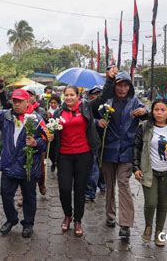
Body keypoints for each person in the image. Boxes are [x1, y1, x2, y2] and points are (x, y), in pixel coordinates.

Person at [50, 67, 116, 237]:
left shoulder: (86, 107)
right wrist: (49, 135)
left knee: (80, 189)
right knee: (64, 189)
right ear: (64, 96)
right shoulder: (58, 112)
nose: (69, 97)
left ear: (78, 96)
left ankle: (78, 220)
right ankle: (67, 216)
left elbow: (104, 96)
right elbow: (51, 132)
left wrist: (109, 79)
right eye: (67, 95)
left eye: (72, 95)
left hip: (84, 155)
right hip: (64, 155)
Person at [0, 88, 47, 238]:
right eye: (14, 101)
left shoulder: (37, 118)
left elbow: (46, 140)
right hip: (9, 165)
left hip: (28, 167)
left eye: (19, 101)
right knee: (5, 195)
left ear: (27, 101)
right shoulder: (6, 116)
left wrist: (36, 143)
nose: (16, 104)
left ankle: (28, 224)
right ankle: (11, 219)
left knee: (29, 197)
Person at [99, 71, 148, 239]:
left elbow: (147, 111)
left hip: (127, 150)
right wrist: (99, 122)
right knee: (109, 185)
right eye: (119, 84)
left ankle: (125, 224)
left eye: (126, 85)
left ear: (130, 87)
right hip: (108, 150)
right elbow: (93, 116)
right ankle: (110, 216)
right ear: (115, 86)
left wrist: (143, 112)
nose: (122, 88)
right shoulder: (106, 101)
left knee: (124, 184)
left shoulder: (134, 101)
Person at [133, 99, 167, 246]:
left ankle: (159, 233)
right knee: (151, 203)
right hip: (149, 172)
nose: (159, 112)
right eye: (156, 109)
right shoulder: (144, 127)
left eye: (162, 110)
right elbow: (136, 148)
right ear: (152, 111)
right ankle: (148, 227)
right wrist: (136, 167)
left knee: (163, 205)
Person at [84, 85, 106, 202]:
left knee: (102, 163)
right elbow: (85, 119)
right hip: (91, 139)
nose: (96, 96)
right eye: (94, 94)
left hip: (104, 139)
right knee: (93, 166)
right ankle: (90, 192)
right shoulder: (87, 105)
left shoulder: (106, 106)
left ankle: (103, 184)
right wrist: (97, 122)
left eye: (99, 93)